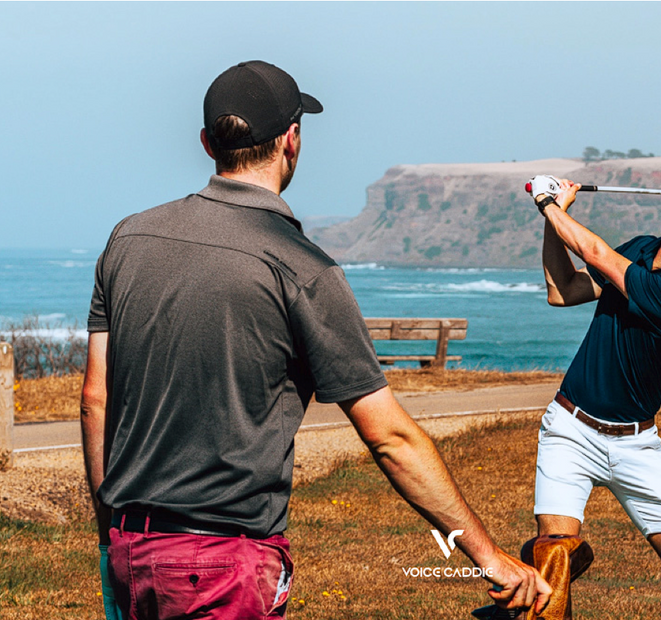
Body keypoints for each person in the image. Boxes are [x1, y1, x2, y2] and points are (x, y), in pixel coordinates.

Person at [80, 60, 550, 620]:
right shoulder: (301, 267)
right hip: (226, 562)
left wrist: (113, 536)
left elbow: (95, 400)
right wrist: (489, 556)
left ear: (208, 144)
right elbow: (390, 440)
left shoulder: (129, 239)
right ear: (291, 140)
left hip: (133, 551)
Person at [526, 178, 661, 620]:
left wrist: (548, 205)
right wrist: (553, 221)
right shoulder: (637, 249)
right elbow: (563, 291)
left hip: (638, 445)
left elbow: (594, 253)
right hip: (571, 431)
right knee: (554, 558)